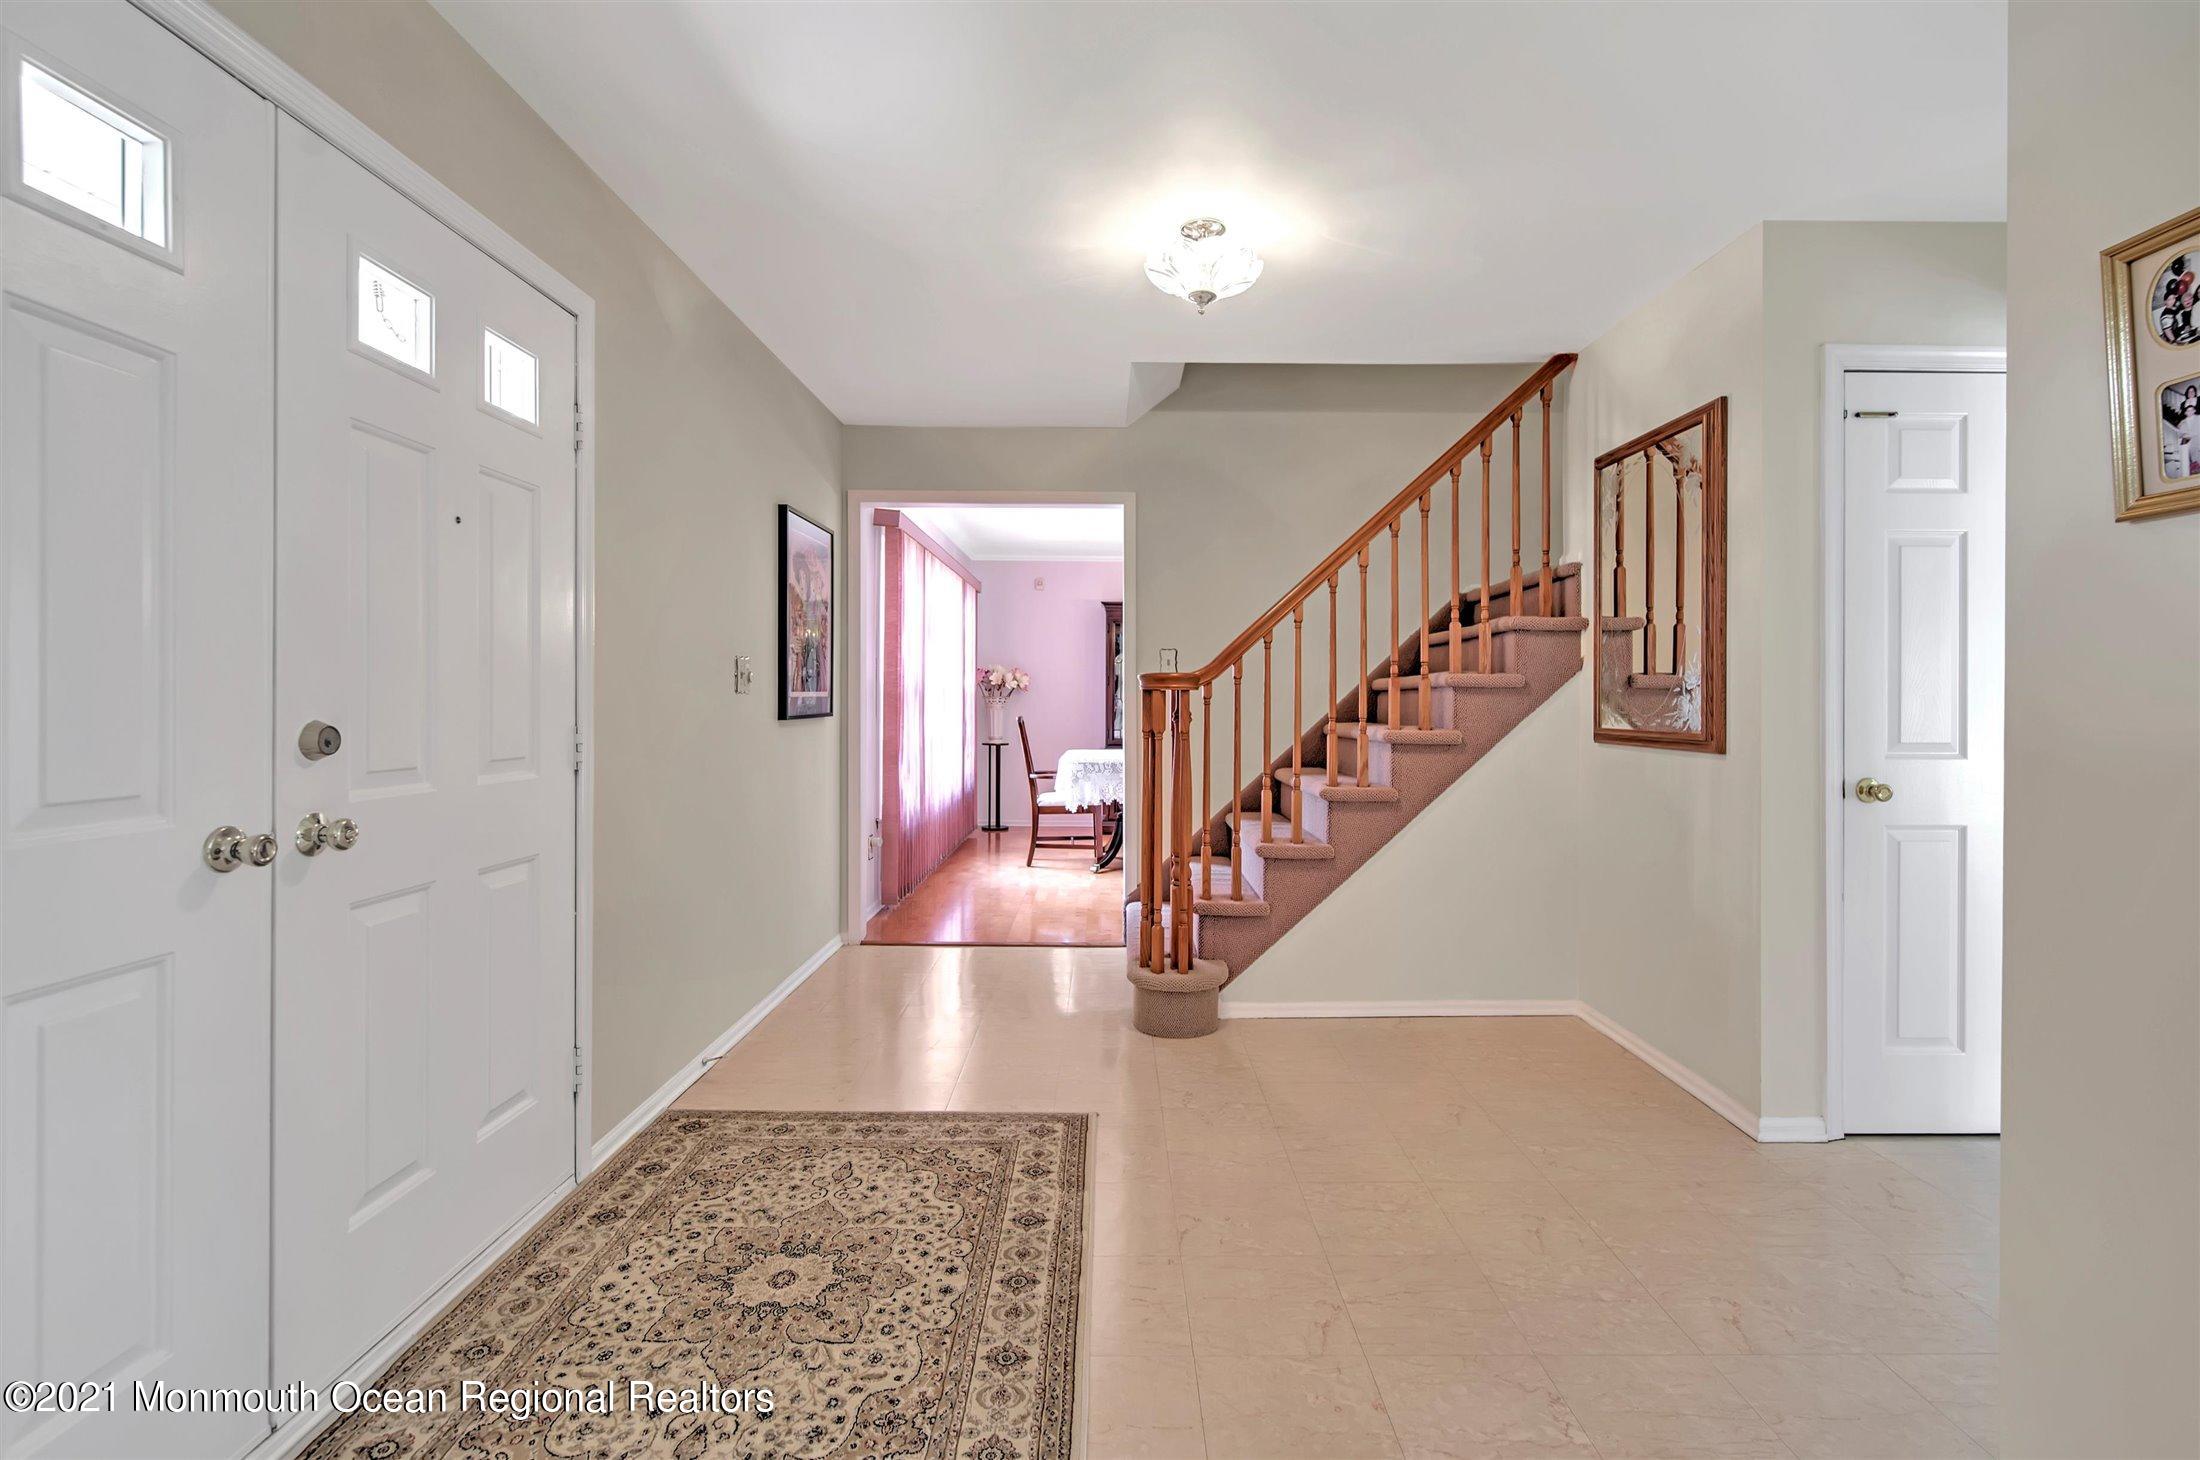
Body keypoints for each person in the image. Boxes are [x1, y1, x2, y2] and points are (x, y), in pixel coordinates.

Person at [2163, 381, 2200, 479]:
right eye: (2189, 392)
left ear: (2195, 392)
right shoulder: (2184, 403)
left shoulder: (2199, 400)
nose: (2191, 393)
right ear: (2187, 393)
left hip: (2197, 422)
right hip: (2188, 424)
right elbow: (2181, 415)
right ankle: (2193, 467)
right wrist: (2181, 422)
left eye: (2193, 391)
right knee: (2186, 445)